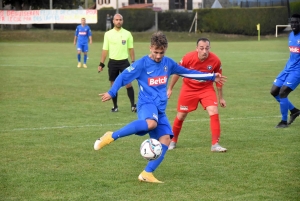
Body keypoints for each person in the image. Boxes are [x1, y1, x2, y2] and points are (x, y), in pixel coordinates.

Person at [94, 31, 227, 183]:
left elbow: (188, 72)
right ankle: (111, 136)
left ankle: (147, 173)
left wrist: (211, 76)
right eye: (156, 52)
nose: (158, 56)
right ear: (150, 48)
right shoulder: (142, 64)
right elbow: (123, 76)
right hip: (146, 104)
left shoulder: (168, 63)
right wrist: (112, 92)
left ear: (166, 49)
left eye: (161, 52)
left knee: (165, 140)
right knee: (151, 123)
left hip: (160, 108)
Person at [167, 38, 227, 152]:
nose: (205, 51)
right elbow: (177, 73)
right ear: (197, 48)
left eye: (207, 48)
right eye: (202, 48)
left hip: (206, 89)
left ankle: (215, 144)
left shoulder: (216, 60)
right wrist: (170, 88)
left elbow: (219, 80)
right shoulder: (188, 58)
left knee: (214, 111)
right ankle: (173, 141)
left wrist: (221, 98)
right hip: (188, 89)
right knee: (181, 115)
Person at [98, 14, 136, 112]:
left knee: (128, 83)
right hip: (113, 62)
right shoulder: (108, 34)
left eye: (120, 20)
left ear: (122, 21)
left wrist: (133, 61)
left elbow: (131, 48)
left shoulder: (127, 34)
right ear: (113, 21)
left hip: (124, 62)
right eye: (117, 20)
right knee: (113, 85)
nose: (118, 21)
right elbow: (105, 50)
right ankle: (115, 107)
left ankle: (133, 106)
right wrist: (101, 64)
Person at [270, 13, 300, 128]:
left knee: (283, 92)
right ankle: (294, 111)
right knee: (274, 91)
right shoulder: (291, 35)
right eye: (292, 22)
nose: (294, 24)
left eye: (297, 22)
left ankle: (283, 121)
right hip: (288, 68)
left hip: (297, 71)